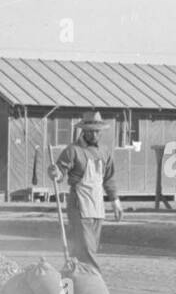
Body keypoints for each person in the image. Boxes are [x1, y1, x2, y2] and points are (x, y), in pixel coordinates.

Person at [49, 110, 123, 274]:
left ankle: (71, 285)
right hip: (79, 205)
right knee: (87, 249)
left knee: (86, 249)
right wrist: (56, 173)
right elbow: (60, 171)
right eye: (91, 131)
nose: (95, 134)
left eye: (98, 131)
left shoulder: (104, 152)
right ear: (84, 130)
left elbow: (109, 178)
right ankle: (94, 281)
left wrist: (115, 202)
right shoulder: (73, 150)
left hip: (97, 207)